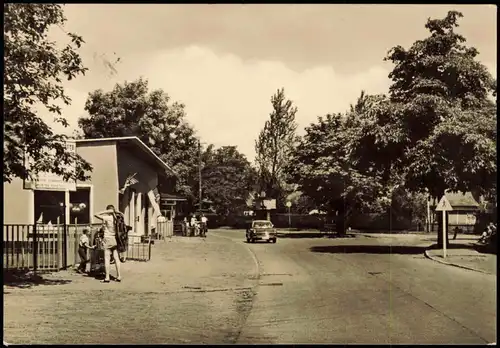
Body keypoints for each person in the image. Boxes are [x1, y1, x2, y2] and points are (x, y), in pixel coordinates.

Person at [94, 205, 123, 283]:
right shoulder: (117, 218)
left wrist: (105, 212)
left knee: (107, 258)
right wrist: (115, 211)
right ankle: (119, 276)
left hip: (107, 238)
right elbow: (121, 214)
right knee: (116, 258)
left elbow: (95, 214)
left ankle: (107, 277)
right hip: (115, 238)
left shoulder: (107, 218)